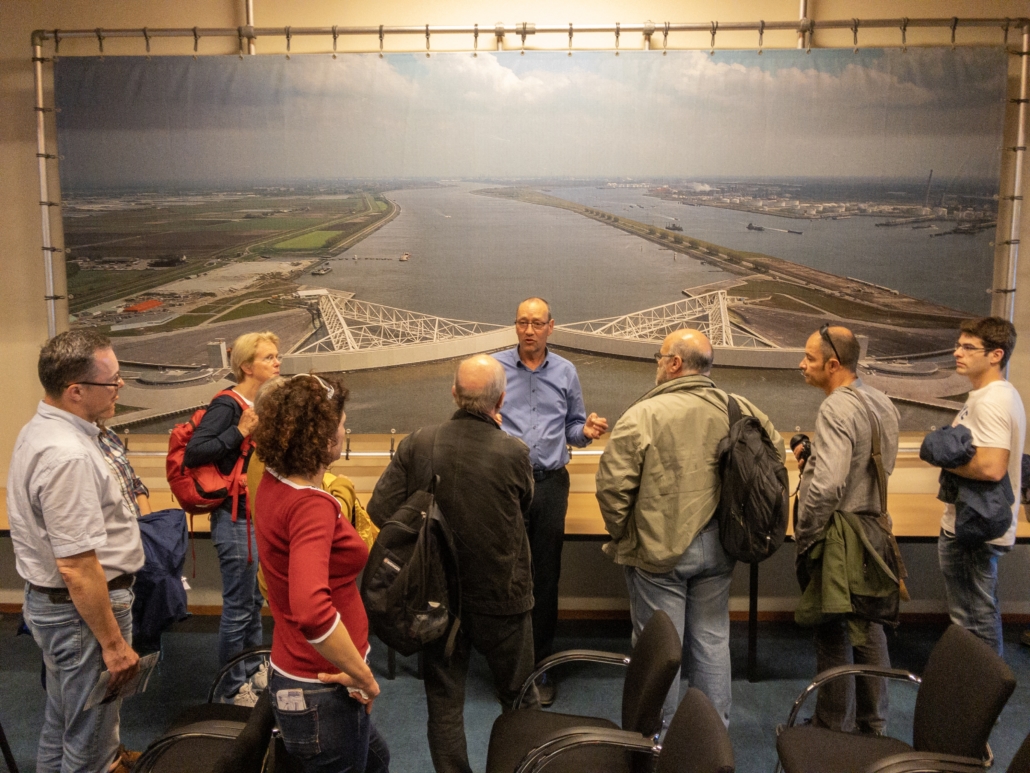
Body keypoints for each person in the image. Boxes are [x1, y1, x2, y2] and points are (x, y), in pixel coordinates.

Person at [596, 328, 783, 730]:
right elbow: (774, 457)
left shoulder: (644, 414)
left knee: (661, 647)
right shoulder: (739, 407)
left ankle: (655, 738)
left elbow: (613, 487)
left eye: (659, 357)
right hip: (721, 545)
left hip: (660, 549)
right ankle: (709, 735)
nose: (657, 365)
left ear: (675, 364)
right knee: (712, 639)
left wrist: (625, 533)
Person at [368, 355, 538, 773]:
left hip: (433, 595)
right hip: (502, 596)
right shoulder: (514, 451)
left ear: (454, 394)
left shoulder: (418, 443)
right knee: (519, 697)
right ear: (501, 399)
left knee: (444, 704)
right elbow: (525, 507)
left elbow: (381, 510)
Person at [7, 330, 144, 773]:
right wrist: (114, 645)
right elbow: (77, 566)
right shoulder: (68, 454)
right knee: (91, 745)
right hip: (82, 615)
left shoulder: (43, 429)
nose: (120, 386)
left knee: (63, 724)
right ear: (76, 391)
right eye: (112, 380)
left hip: (60, 610)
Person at [252, 374, 390, 773]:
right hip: (322, 687)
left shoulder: (273, 481)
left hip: (300, 673)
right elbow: (312, 611)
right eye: (342, 424)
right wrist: (363, 677)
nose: (346, 431)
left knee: (377, 761)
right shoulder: (310, 507)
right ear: (324, 438)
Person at [492, 297, 607, 704]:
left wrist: (585, 432)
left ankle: (539, 667)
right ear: (515, 325)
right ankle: (510, 669)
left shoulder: (566, 371)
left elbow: (573, 426)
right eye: (522, 322)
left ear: (550, 327)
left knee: (545, 577)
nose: (529, 330)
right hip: (506, 486)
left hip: (551, 485)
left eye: (537, 323)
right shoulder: (495, 369)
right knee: (507, 577)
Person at [794, 324, 900, 734]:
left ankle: (831, 726)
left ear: (833, 365)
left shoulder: (836, 408)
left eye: (810, 358)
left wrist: (807, 532)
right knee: (869, 626)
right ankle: (873, 726)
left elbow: (829, 486)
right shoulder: (882, 401)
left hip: (839, 537)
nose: (802, 364)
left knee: (833, 631)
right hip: (874, 529)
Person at [184, 330, 280, 705]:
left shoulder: (259, 403)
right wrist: (240, 431)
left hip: (254, 517)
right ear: (246, 366)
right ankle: (231, 687)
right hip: (234, 519)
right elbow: (196, 451)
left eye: (277, 356)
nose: (277, 362)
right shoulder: (228, 405)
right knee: (239, 607)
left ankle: (252, 670)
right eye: (269, 357)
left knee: (253, 602)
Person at [938, 317, 1025, 655]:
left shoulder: (992, 401)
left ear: (996, 355)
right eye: (958, 345)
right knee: (973, 616)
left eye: (968, 347)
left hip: (975, 527)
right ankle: (979, 685)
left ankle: (984, 689)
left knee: (974, 620)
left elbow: (991, 467)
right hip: (972, 522)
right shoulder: (990, 395)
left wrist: (943, 457)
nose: (957, 352)